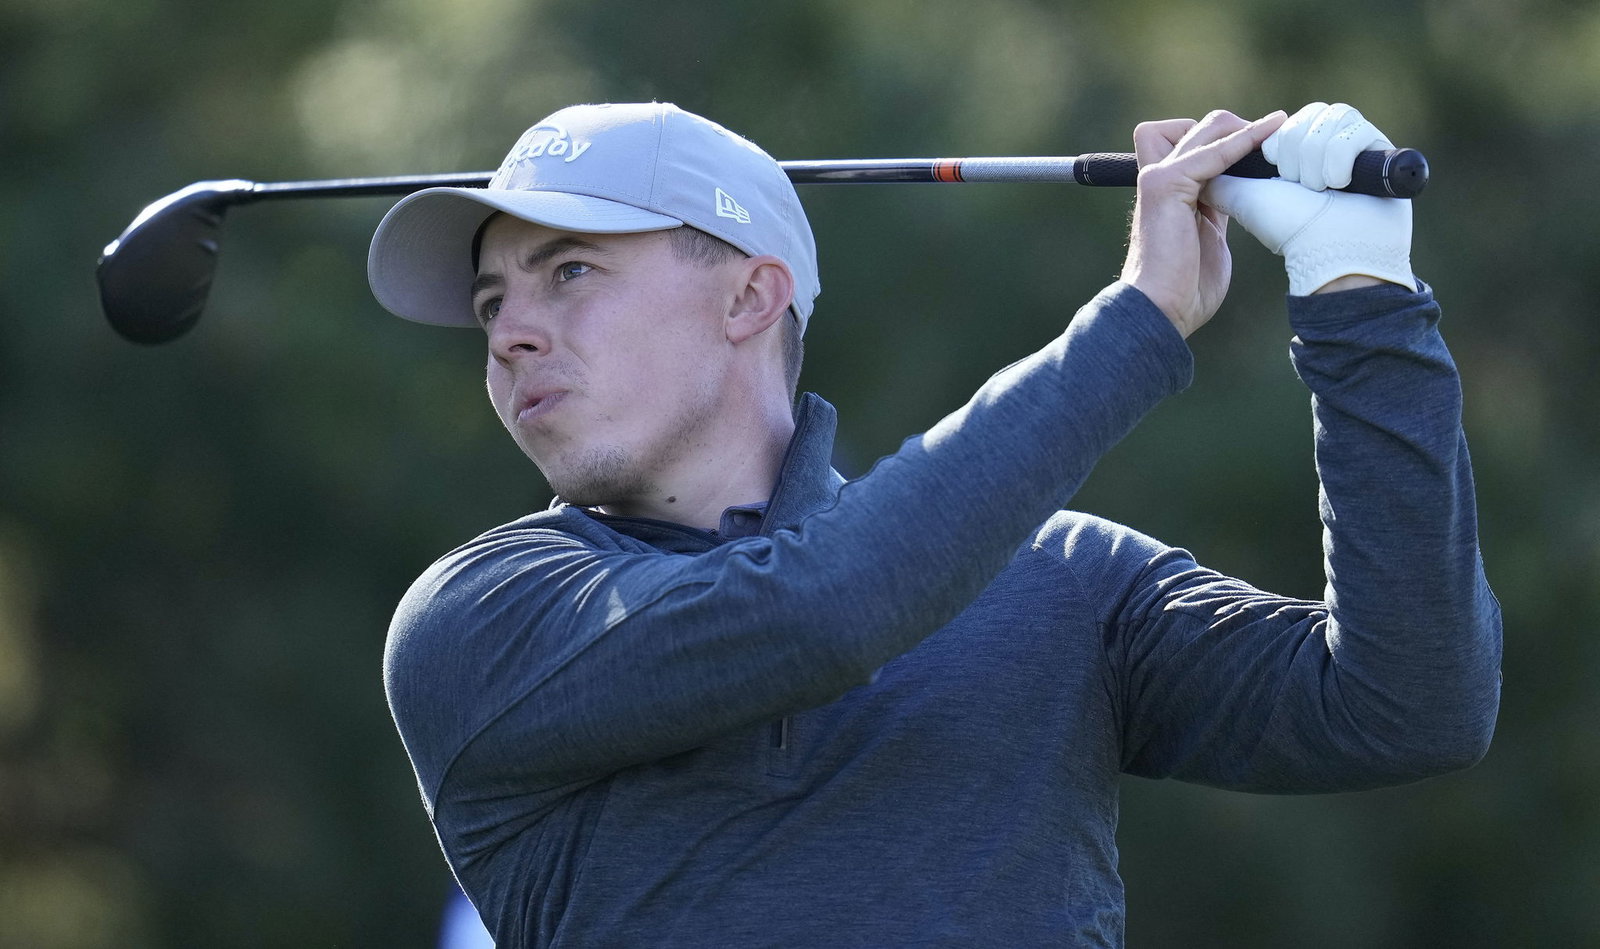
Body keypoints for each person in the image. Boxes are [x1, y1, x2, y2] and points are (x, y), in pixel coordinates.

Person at [367, 101, 1501, 948]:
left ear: (749, 296)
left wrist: (1361, 298)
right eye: (490, 301)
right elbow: (822, 610)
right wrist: (1139, 320)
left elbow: (1409, 705)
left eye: (567, 271)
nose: (510, 331)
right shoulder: (483, 618)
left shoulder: (1064, 581)